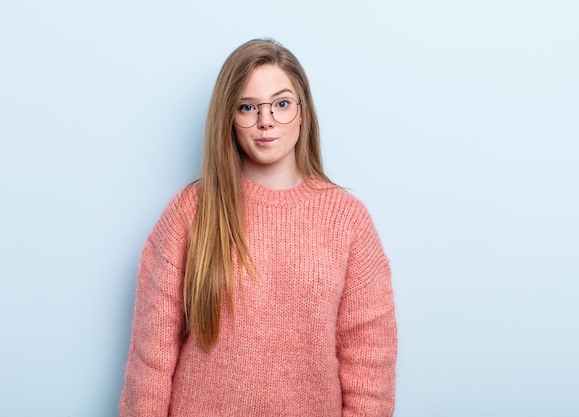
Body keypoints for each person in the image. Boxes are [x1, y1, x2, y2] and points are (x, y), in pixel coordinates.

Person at [119, 38, 397, 417]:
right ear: (229, 118)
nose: (265, 120)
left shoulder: (348, 221)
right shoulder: (192, 211)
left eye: (281, 104)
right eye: (248, 107)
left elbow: (370, 365)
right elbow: (151, 356)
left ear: (303, 112)